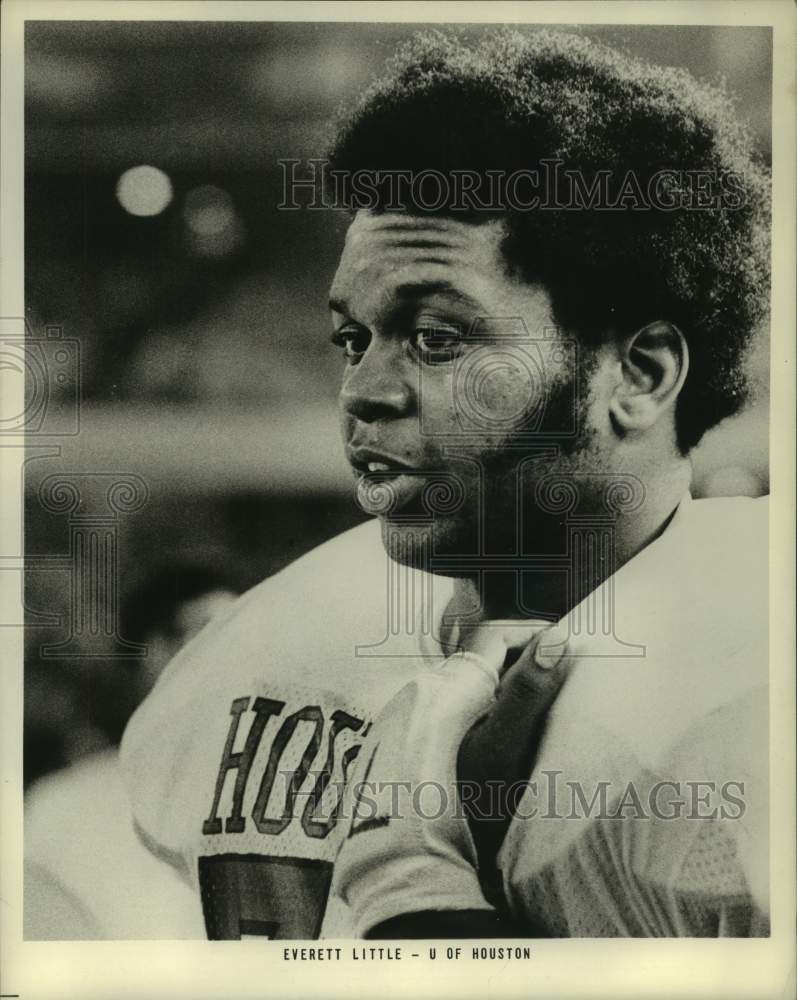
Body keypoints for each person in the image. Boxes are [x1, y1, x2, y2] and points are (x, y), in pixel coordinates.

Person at [120, 28, 769, 939]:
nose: (362, 392)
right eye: (353, 338)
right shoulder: (266, 662)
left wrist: (408, 881)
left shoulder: (751, 689)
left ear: (641, 374)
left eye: (437, 338)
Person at [25, 565, 238, 939]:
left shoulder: (299, 803)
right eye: (178, 635)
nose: (206, 657)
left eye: (234, 634)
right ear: (139, 659)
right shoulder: (59, 807)